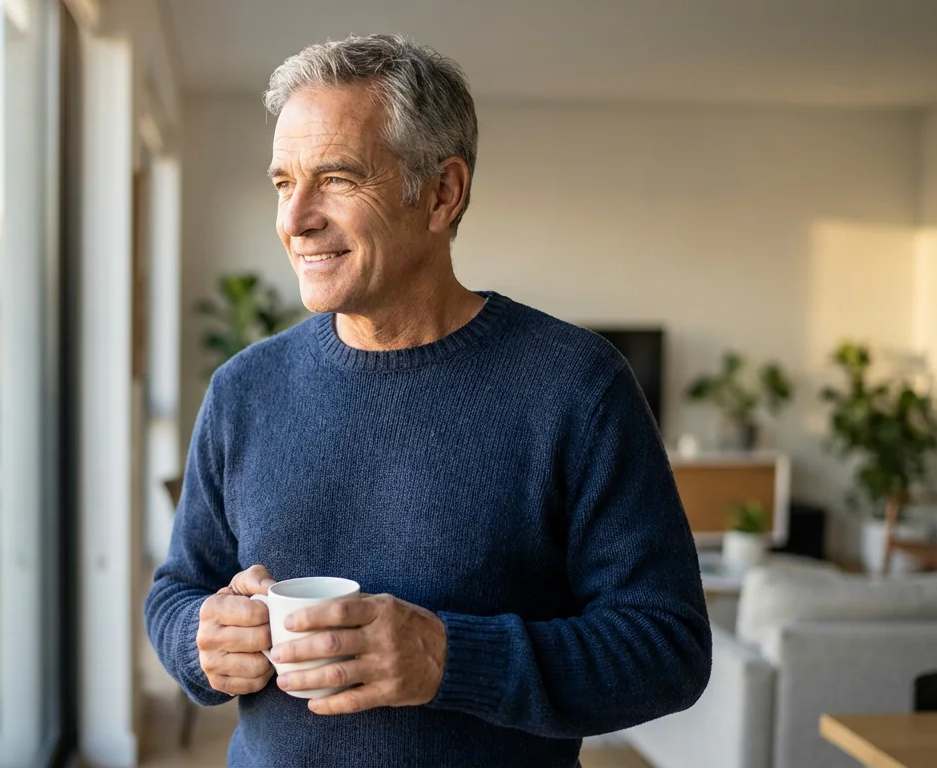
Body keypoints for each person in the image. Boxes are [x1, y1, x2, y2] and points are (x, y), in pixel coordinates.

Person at [144, 33, 711, 767]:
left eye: (338, 178)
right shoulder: (243, 390)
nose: (294, 218)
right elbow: (177, 589)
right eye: (284, 182)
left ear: (442, 193)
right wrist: (202, 636)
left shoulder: (577, 386)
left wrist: (449, 658)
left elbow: (667, 646)